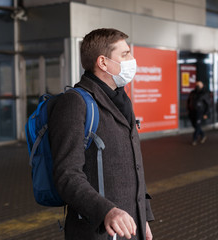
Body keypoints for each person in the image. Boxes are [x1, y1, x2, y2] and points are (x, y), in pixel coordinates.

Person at [48, 28, 154, 240]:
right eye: (125, 55)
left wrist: (143, 214)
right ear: (103, 62)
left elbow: (133, 166)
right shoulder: (74, 103)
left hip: (130, 226)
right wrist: (106, 210)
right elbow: (67, 175)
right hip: (97, 230)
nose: (132, 59)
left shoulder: (121, 100)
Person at [187, 81, 210, 146]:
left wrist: (206, 113)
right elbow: (189, 101)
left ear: (202, 86)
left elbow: (208, 104)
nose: (197, 86)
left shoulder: (205, 94)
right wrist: (188, 109)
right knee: (195, 125)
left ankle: (194, 139)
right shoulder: (192, 93)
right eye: (197, 85)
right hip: (192, 112)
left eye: (199, 85)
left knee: (197, 125)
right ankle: (203, 135)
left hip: (200, 112)